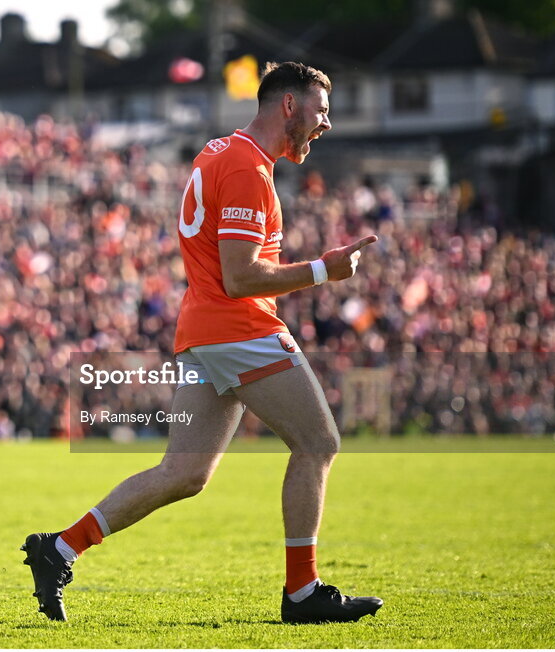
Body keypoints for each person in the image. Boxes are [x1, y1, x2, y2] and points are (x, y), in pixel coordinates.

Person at [22, 61, 383, 624]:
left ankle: (59, 548)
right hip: (238, 329)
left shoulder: (222, 151)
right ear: (288, 105)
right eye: (320, 109)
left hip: (205, 329)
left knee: (184, 474)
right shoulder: (245, 166)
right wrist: (322, 271)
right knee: (319, 443)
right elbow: (240, 277)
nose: (326, 123)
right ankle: (302, 592)